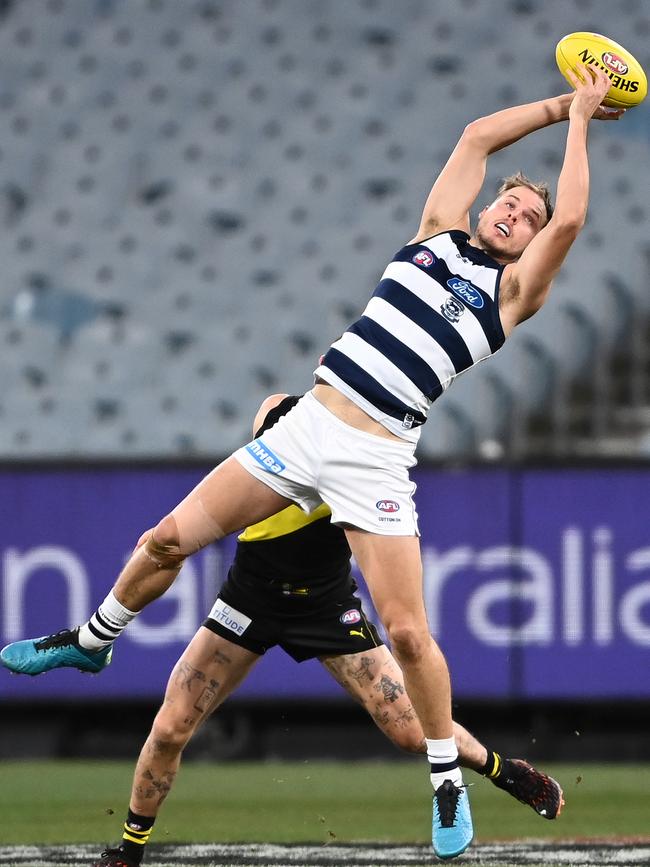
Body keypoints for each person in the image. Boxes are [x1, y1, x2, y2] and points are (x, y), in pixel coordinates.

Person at [1, 65, 619, 859]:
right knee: (164, 540)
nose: (515, 210)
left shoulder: (509, 296)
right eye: (509, 198)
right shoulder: (433, 232)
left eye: (525, 215)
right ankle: (92, 637)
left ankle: (446, 775)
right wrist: (561, 102)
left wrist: (584, 124)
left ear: (529, 241)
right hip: (308, 428)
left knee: (407, 630)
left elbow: (570, 220)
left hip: (376, 455)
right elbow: (474, 137)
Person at [90, 393, 563, 867]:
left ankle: (504, 772)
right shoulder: (283, 412)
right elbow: (221, 491)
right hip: (250, 597)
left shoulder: (368, 449)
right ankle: (129, 851)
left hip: (325, 603)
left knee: (412, 733)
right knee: (171, 726)